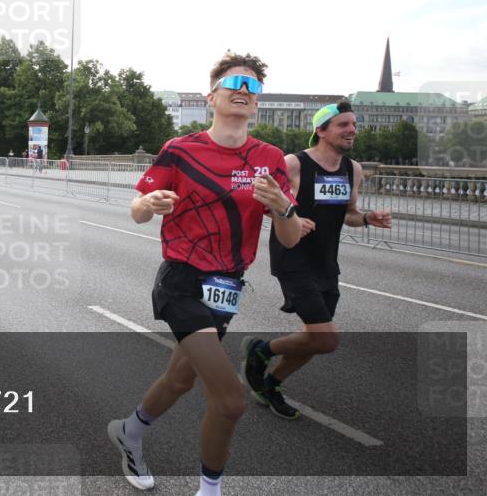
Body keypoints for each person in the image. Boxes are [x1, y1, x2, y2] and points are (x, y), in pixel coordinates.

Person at [108, 52, 301, 495]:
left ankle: (129, 431)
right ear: (212, 95)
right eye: (234, 83)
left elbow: (289, 238)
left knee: (181, 378)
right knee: (231, 401)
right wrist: (149, 204)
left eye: (252, 87)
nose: (243, 91)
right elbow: (138, 210)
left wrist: (282, 206)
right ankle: (209, 491)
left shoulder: (269, 158)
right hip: (182, 280)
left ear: (258, 104)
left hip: (227, 286)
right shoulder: (180, 150)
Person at [241, 100, 392, 419]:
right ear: (321, 131)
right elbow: (267, 202)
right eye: (343, 125)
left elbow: (349, 214)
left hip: (326, 261)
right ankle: (261, 351)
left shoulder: (353, 169)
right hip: (292, 257)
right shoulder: (293, 164)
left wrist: (366, 218)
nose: (352, 130)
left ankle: (271, 382)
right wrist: (292, 217)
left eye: (354, 124)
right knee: (326, 339)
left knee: (314, 339)